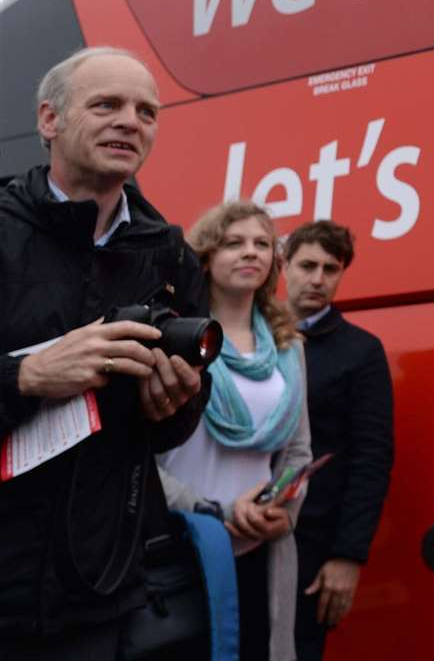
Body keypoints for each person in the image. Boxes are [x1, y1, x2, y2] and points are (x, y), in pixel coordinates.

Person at [0, 46, 211, 658]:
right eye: (107, 105)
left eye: (147, 112)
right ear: (49, 120)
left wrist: (171, 404)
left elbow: (173, 430)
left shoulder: (171, 254)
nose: (130, 122)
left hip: (101, 593)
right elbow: (30, 379)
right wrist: (28, 375)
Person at [159, 201, 311, 661]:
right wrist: (215, 510)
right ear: (205, 255)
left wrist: (283, 511)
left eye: (262, 244)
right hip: (184, 543)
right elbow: (141, 458)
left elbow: (298, 454)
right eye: (234, 243)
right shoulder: (176, 337)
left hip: (262, 549)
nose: (251, 253)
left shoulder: (289, 347)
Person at [280, 219, 394, 660]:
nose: (318, 279)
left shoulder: (360, 351)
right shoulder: (251, 337)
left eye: (331, 268)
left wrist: (348, 556)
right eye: (307, 265)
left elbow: (372, 457)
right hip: (242, 530)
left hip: (313, 544)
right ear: (283, 266)